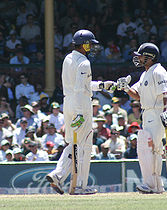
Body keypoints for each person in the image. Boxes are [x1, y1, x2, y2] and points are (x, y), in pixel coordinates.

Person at [46, 29, 116, 195]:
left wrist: (102, 85)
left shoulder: (68, 59)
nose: (91, 47)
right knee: (84, 147)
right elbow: (80, 89)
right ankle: (80, 186)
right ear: (84, 44)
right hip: (81, 105)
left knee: (73, 144)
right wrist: (79, 113)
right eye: (90, 44)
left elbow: (82, 85)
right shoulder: (84, 62)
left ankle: (57, 175)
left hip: (68, 103)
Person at [116, 43, 167, 194]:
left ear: (149, 57)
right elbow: (137, 94)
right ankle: (155, 185)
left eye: (140, 55)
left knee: (153, 148)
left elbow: (166, 92)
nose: (138, 58)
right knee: (146, 149)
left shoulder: (159, 71)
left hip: (157, 112)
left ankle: (152, 185)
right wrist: (126, 88)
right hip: (146, 113)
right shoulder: (145, 73)